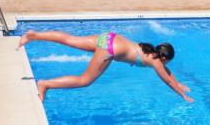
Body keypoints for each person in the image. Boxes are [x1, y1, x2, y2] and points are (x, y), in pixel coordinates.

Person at [18, 30, 194, 102]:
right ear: (163, 57)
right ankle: (45, 84)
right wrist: (182, 95)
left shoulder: (151, 51)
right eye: (167, 61)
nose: (166, 65)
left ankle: (34, 35)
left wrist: (180, 84)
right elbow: (167, 81)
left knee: (70, 39)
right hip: (110, 48)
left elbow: (168, 73)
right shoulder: (156, 62)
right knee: (84, 80)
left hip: (109, 37)